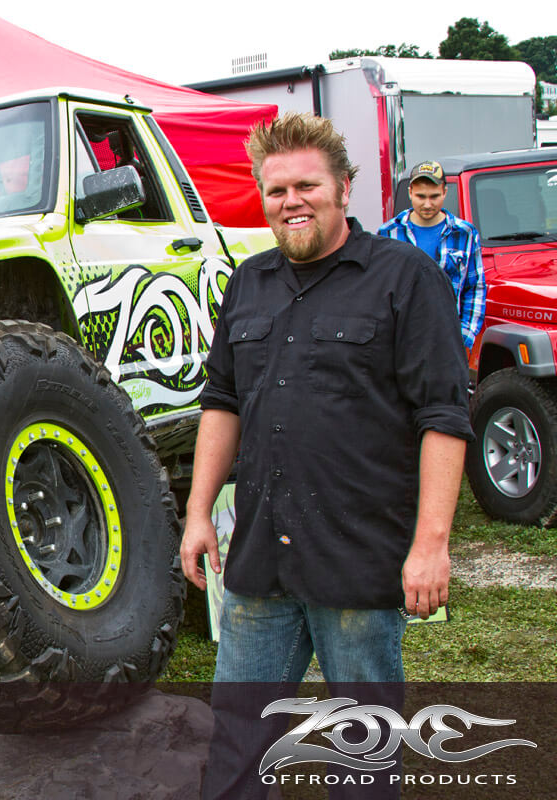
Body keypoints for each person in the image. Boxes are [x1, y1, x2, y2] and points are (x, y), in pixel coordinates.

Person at [179, 113, 472, 799]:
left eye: (307, 184)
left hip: (359, 563)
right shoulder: (247, 283)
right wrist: (197, 513)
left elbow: (444, 416)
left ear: (345, 187)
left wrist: (431, 546)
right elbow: (221, 402)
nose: (291, 201)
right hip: (259, 563)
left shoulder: (405, 278)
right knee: (237, 743)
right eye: (276, 190)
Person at [378, 161, 485, 350]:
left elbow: (475, 286)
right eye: (421, 196)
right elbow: (379, 288)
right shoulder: (388, 232)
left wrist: (465, 335)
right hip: (402, 341)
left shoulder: (464, 233)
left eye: (434, 196)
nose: (427, 204)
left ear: (445, 192)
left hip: (448, 340)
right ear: (410, 192)